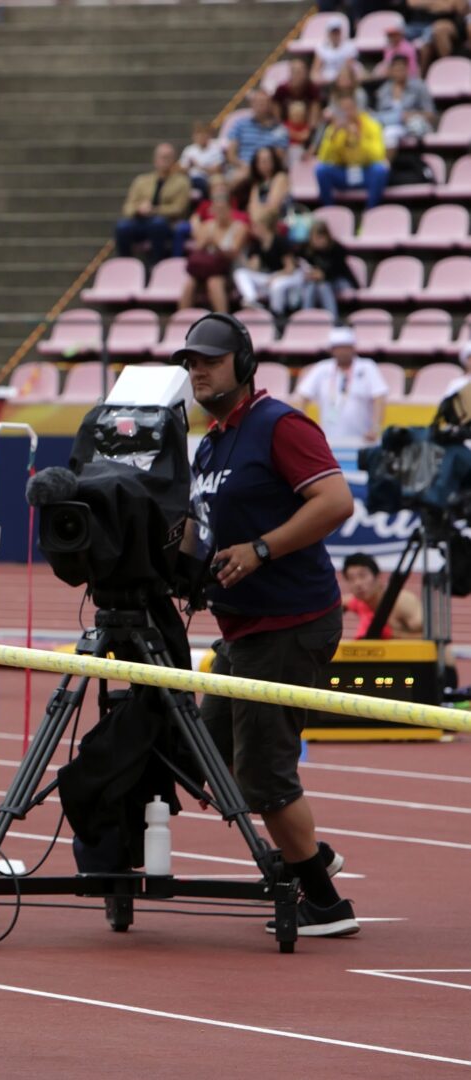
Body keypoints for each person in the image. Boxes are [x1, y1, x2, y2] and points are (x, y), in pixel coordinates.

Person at [174, 312, 359, 938]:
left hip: (289, 622)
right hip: (243, 629)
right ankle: (315, 853)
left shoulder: (279, 425)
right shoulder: (209, 442)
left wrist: (261, 548)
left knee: (262, 773)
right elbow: (201, 529)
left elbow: (336, 501)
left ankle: (326, 903)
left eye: (210, 359)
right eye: (190, 362)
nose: (197, 370)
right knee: (206, 758)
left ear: (244, 365)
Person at [289, 327, 390, 445]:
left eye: (346, 347)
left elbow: (379, 397)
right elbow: (303, 396)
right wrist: (301, 426)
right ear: (332, 350)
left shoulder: (367, 367)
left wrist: (375, 428)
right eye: (338, 348)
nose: (342, 351)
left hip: (362, 439)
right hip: (327, 440)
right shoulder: (322, 368)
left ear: (353, 348)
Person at [114, 142, 193, 267]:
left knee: (157, 223)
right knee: (122, 226)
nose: (164, 161)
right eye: (162, 157)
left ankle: (156, 265)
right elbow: (127, 207)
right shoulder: (141, 181)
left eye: (168, 157)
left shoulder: (182, 182)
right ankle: (125, 265)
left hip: (167, 223)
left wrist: (154, 210)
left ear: (174, 160)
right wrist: (138, 209)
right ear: (155, 159)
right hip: (141, 221)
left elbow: (179, 208)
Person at [180, 175, 246, 313]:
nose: (220, 213)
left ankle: (222, 319)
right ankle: (181, 321)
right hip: (206, 268)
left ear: (230, 209)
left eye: (223, 209)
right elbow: (197, 250)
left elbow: (234, 254)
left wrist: (217, 245)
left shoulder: (240, 227)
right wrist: (205, 242)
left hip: (229, 270)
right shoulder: (207, 225)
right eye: (217, 209)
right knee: (189, 283)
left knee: (214, 282)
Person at [315, 92, 389, 208]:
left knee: (380, 170)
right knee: (321, 170)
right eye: (343, 110)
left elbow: (378, 156)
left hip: (365, 171)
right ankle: (330, 210)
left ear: (357, 108)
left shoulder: (372, 125)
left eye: (350, 108)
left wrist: (360, 139)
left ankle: (370, 213)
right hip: (343, 172)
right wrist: (333, 137)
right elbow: (324, 158)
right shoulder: (333, 129)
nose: (347, 113)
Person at [342, 552, 423, 639]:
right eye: (351, 578)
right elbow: (336, 603)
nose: (357, 583)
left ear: (378, 577)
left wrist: (393, 635)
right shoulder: (358, 601)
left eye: (362, 576)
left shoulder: (402, 602)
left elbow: (431, 637)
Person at [300, 220, 357, 318]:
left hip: (341, 281)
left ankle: (333, 320)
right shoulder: (309, 251)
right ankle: (306, 318)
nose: (315, 241)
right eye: (313, 238)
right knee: (311, 287)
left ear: (326, 237)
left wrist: (324, 275)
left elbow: (338, 270)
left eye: (318, 238)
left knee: (323, 286)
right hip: (320, 282)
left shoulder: (337, 249)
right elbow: (306, 266)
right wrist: (312, 274)